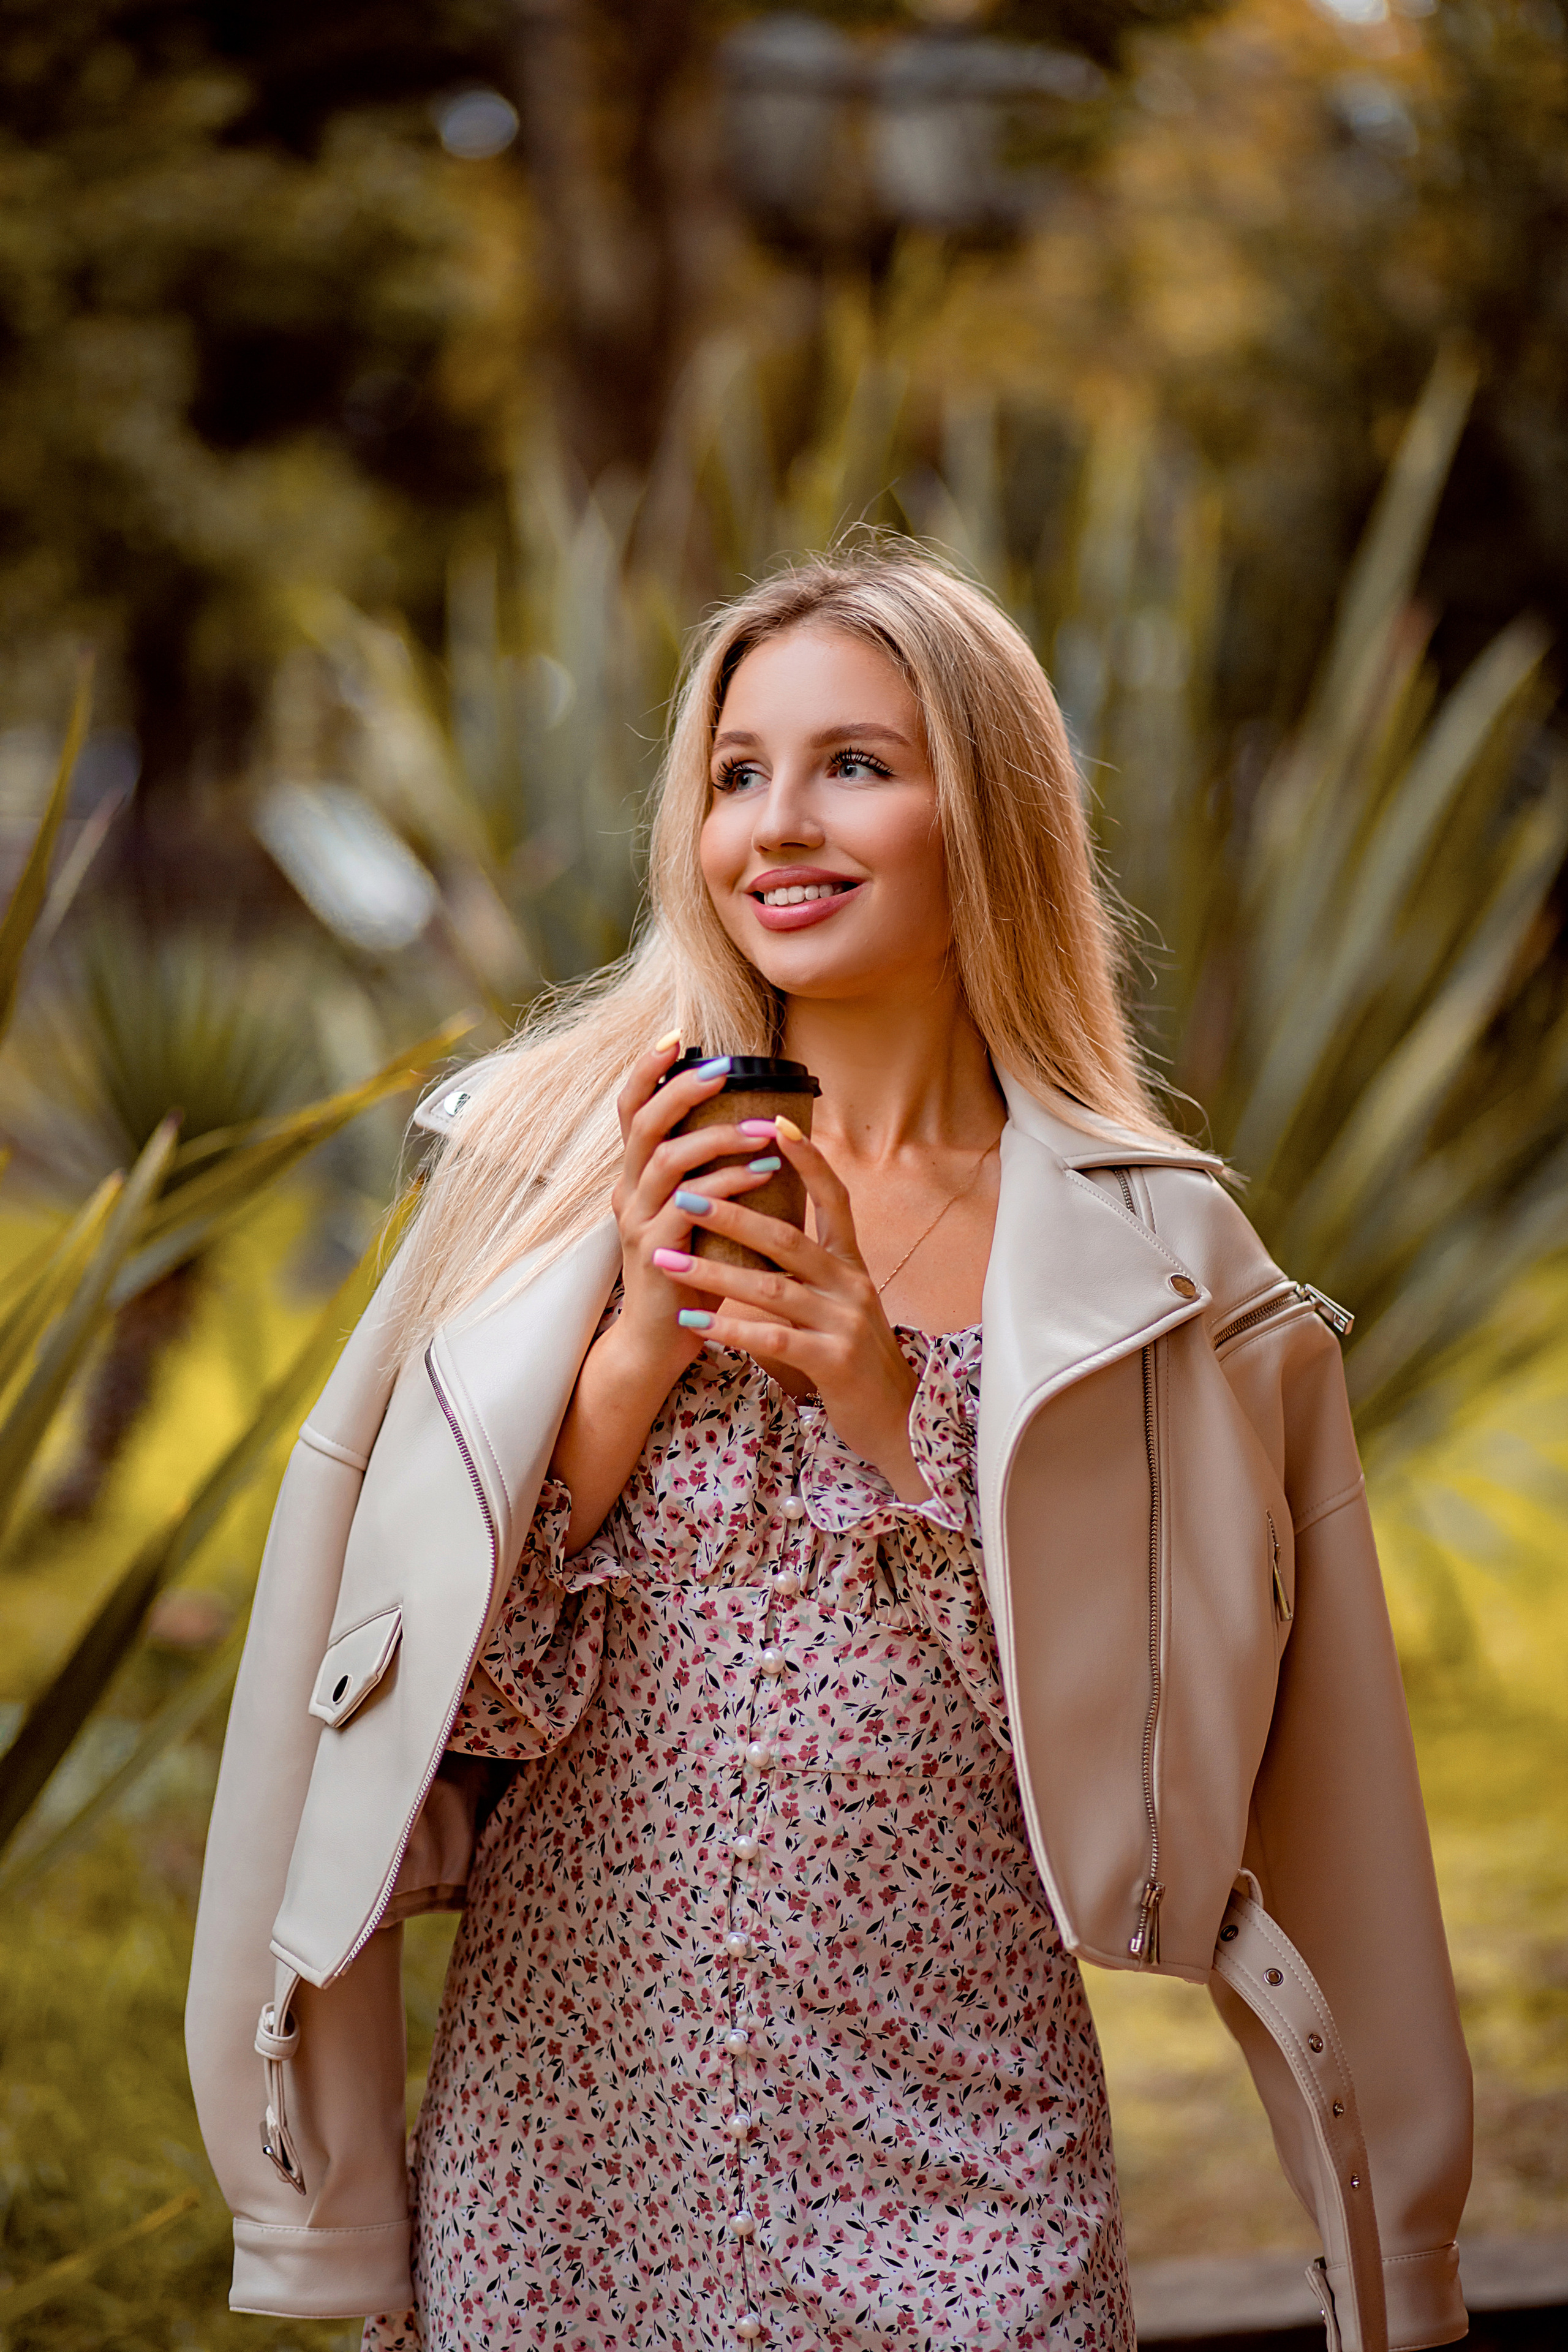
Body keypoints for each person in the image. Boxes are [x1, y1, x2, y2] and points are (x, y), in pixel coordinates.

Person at [186, 543, 1471, 2352]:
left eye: (855, 764)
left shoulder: (1163, 1270)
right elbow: (396, 1742)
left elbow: (1200, 1788)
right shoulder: (535, 1187)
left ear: (993, 816)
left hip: (970, 2182)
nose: (777, 824)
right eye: (735, 773)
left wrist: (892, 1410)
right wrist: (630, 1353)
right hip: (566, 2186)